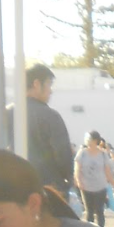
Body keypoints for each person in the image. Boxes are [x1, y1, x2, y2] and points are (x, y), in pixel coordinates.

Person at [24, 63, 73, 198]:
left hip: (13, 190)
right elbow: (63, 154)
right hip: (48, 189)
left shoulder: (5, 114)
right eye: (49, 84)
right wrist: (67, 179)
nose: (51, 90)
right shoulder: (50, 116)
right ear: (36, 84)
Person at [74, 130, 114, 227]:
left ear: (95, 140)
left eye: (89, 139)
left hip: (100, 187)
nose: (87, 140)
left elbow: (107, 170)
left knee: (100, 211)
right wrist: (78, 180)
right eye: (86, 138)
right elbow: (77, 168)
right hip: (86, 186)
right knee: (89, 211)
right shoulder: (82, 153)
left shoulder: (103, 154)